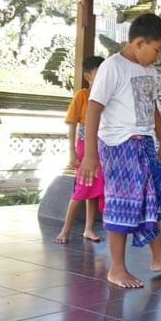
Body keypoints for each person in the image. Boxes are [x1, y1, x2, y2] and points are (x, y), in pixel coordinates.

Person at [79, 13, 161, 289]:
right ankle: (117, 268)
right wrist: (90, 155)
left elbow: (153, 107)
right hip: (118, 145)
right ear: (138, 43)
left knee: (152, 199)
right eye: (156, 50)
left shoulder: (148, 70)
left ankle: (159, 257)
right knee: (122, 204)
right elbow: (94, 108)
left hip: (144, 143)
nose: (158, 57)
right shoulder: (112, 67)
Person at [53, 56, 106, 244]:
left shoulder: (108, 97)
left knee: (94, 190)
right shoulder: (82, 96)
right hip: (85, 147)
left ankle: (89, 229)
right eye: (100, 72)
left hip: (103, 148)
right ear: (87, 75)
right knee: (82, 189)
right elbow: (72, 124)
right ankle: (65, 230)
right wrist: (72, 152)